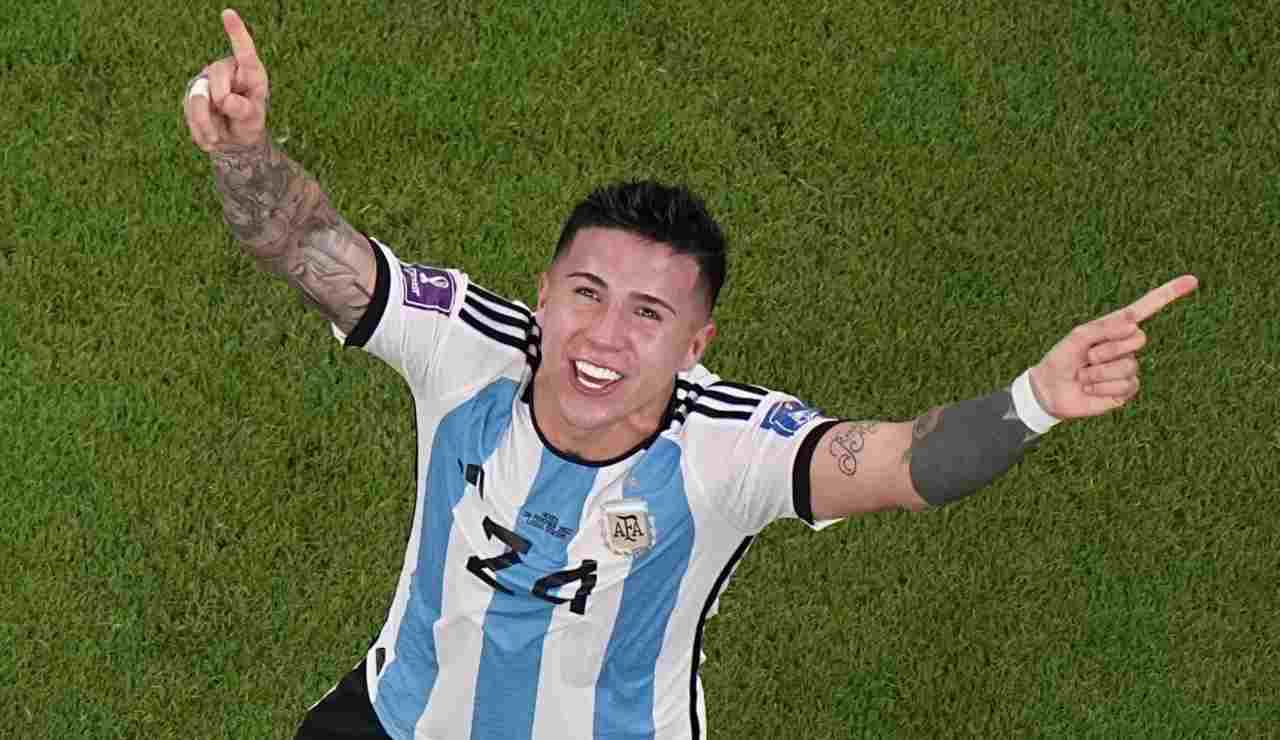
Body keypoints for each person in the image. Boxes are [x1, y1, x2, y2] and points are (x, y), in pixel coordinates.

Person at [182, 9, 1198, 740]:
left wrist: (1033, 399)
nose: (602, 337)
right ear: (544, 292)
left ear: (694, 344)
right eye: (586, 293)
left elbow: (899, 464)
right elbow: (306, 244)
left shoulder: (729, 449)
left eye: (648, 313)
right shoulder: (465, 347)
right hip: (397, 719)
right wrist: (242, 150)